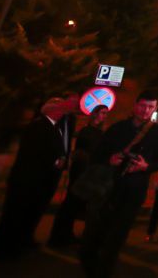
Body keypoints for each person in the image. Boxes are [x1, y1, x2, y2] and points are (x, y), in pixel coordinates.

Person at [78, 90, 158, 278]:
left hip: (134, 190)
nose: (146, 110)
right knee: (98, 229)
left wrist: (146, 166)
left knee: (119, 234)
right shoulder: (118, 128)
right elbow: (97, 154)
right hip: (109, 188)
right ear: (136, 106)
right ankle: (89, 262)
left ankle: (105, 269)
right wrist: (110, 160)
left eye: (150, 107)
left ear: (155, 109)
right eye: (143, 106)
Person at [0, 96, 74, 260]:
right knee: (15, 214)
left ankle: (22, 241)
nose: (62, 111)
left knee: (30, 213)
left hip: (42, 179)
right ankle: (5, 249)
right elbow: (35, 152)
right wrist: (54, 161)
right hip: (29, 179)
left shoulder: (54, 127)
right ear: (51, 110)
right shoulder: (39, 126)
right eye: (59, 108)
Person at [49, 104, 109, 247]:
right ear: (95, 114)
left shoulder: (99, 132)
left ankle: (66, 234)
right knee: (71, 203)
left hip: (90, 171)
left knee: (75, 205)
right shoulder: (87, 131)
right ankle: (59, 236)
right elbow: (85, 150)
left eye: (106, 114)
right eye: (102, 113)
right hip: (82, 171)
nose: (104, 116)